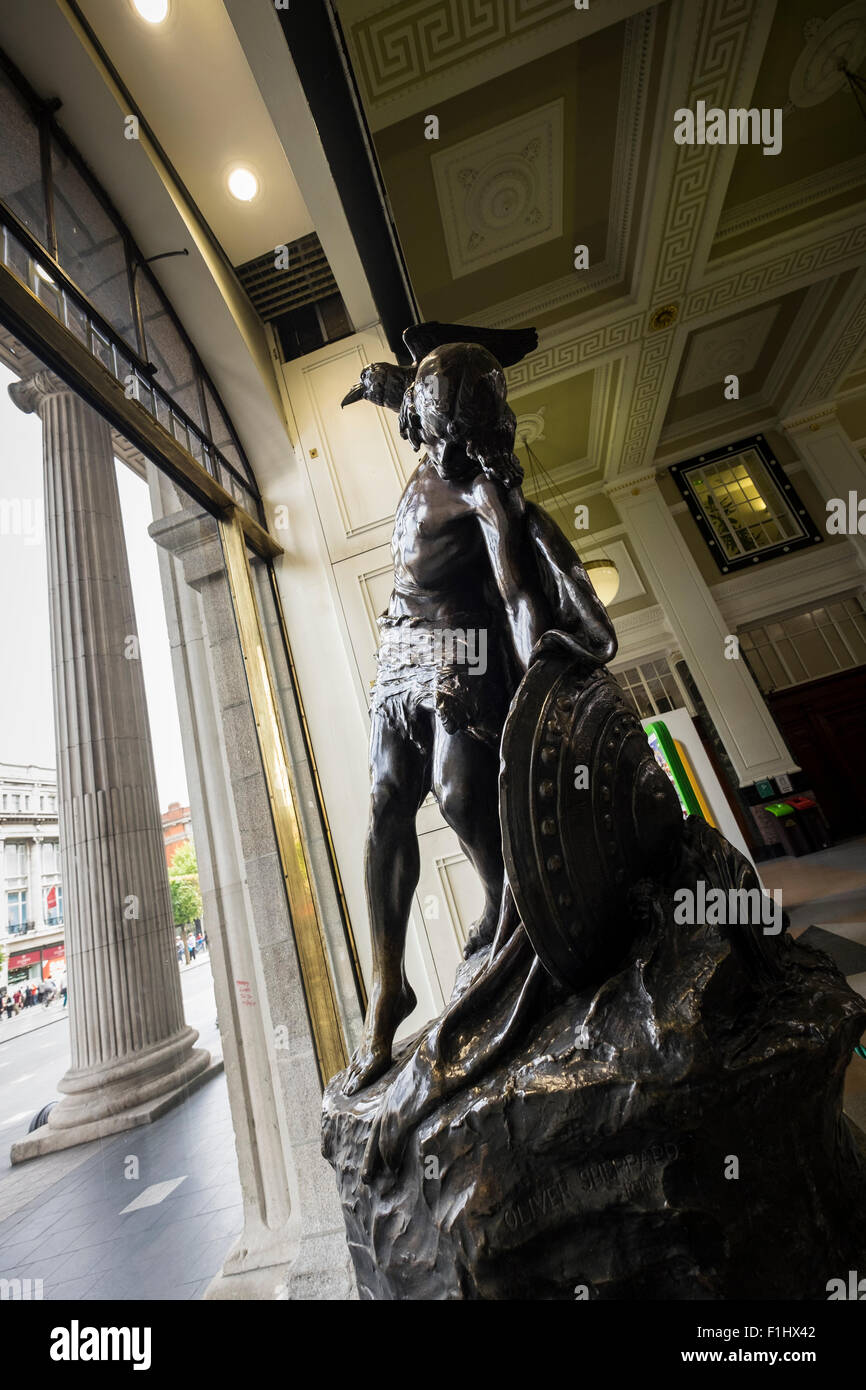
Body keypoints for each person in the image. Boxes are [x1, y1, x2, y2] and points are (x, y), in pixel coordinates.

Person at [339, 335, 616, 1092]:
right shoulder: (425, 440)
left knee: (462, 796)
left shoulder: (480, 489)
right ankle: (387, 990)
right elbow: (408, 398)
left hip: (463, 644)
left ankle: (511, 909)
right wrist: (385, 383)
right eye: (431, 413)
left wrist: (536, 692)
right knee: (386, 804)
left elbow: (522, 593)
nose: (443, 438)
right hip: (399, 649)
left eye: (458, 422)